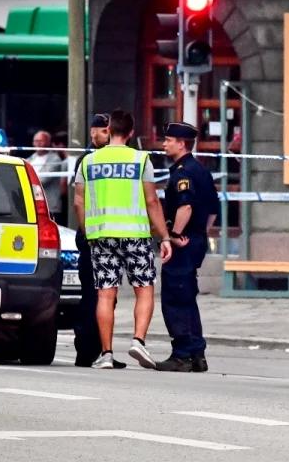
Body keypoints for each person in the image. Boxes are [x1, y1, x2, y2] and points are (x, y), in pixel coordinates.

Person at [73, 110, 173, 370]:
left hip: (101, 236)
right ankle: (138, 340)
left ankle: (105, 353)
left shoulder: (89, 161)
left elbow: (79, 201)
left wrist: (87, 231)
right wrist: (164, 236)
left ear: (110, 131)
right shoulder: (141, 160)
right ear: (130, 132)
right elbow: (152, 201)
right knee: (144, 288)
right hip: (135, 235)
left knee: (105, 295)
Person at [154, 121, 219, 372]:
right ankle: (197, 354)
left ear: (181, 144)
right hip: (196, 241)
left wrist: (174, 234)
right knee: (188, 296)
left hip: (183, 243)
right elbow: (213, 209)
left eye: (168, 140)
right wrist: (201, 232)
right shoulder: (201, 170)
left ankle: (182, 354)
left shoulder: (183, 171)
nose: (164, 144)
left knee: (175, 298)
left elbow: (186, 206)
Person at [71, 114, 112, 367]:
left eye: (106, 130)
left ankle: (102, 350)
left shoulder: (113, 159)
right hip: (92, 237)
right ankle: (86, 351)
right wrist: (87, 234)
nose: (100, 134)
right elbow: (79, 201)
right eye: (99, 130)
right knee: (91, 297)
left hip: (107, 237)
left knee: (106, 297)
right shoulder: (86, 160)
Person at [26, 130, 64, 214]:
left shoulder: (55, 159)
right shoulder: (29, 159)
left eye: (41, 141)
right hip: (33, 205)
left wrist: (25, 181)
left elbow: (42, 180)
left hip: (49, 206)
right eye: (36, 141)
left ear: (48, 142)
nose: (38, 144)